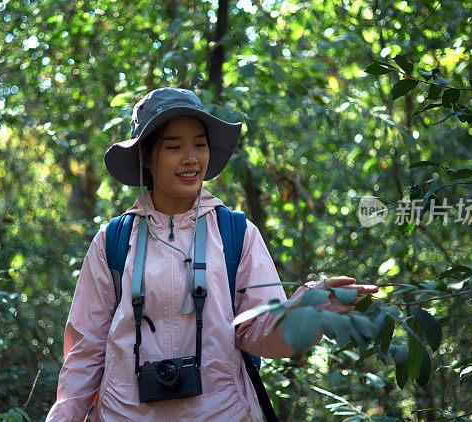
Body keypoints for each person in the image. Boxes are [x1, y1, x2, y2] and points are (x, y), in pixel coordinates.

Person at [45, 87, 378, 421]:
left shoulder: (236, 234)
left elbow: (262, 334)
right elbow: (85, 352)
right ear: (145, 156)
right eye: (174, 146)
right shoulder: (113, 240)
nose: (191, 158)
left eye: (200, 144)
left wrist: (311, 306)